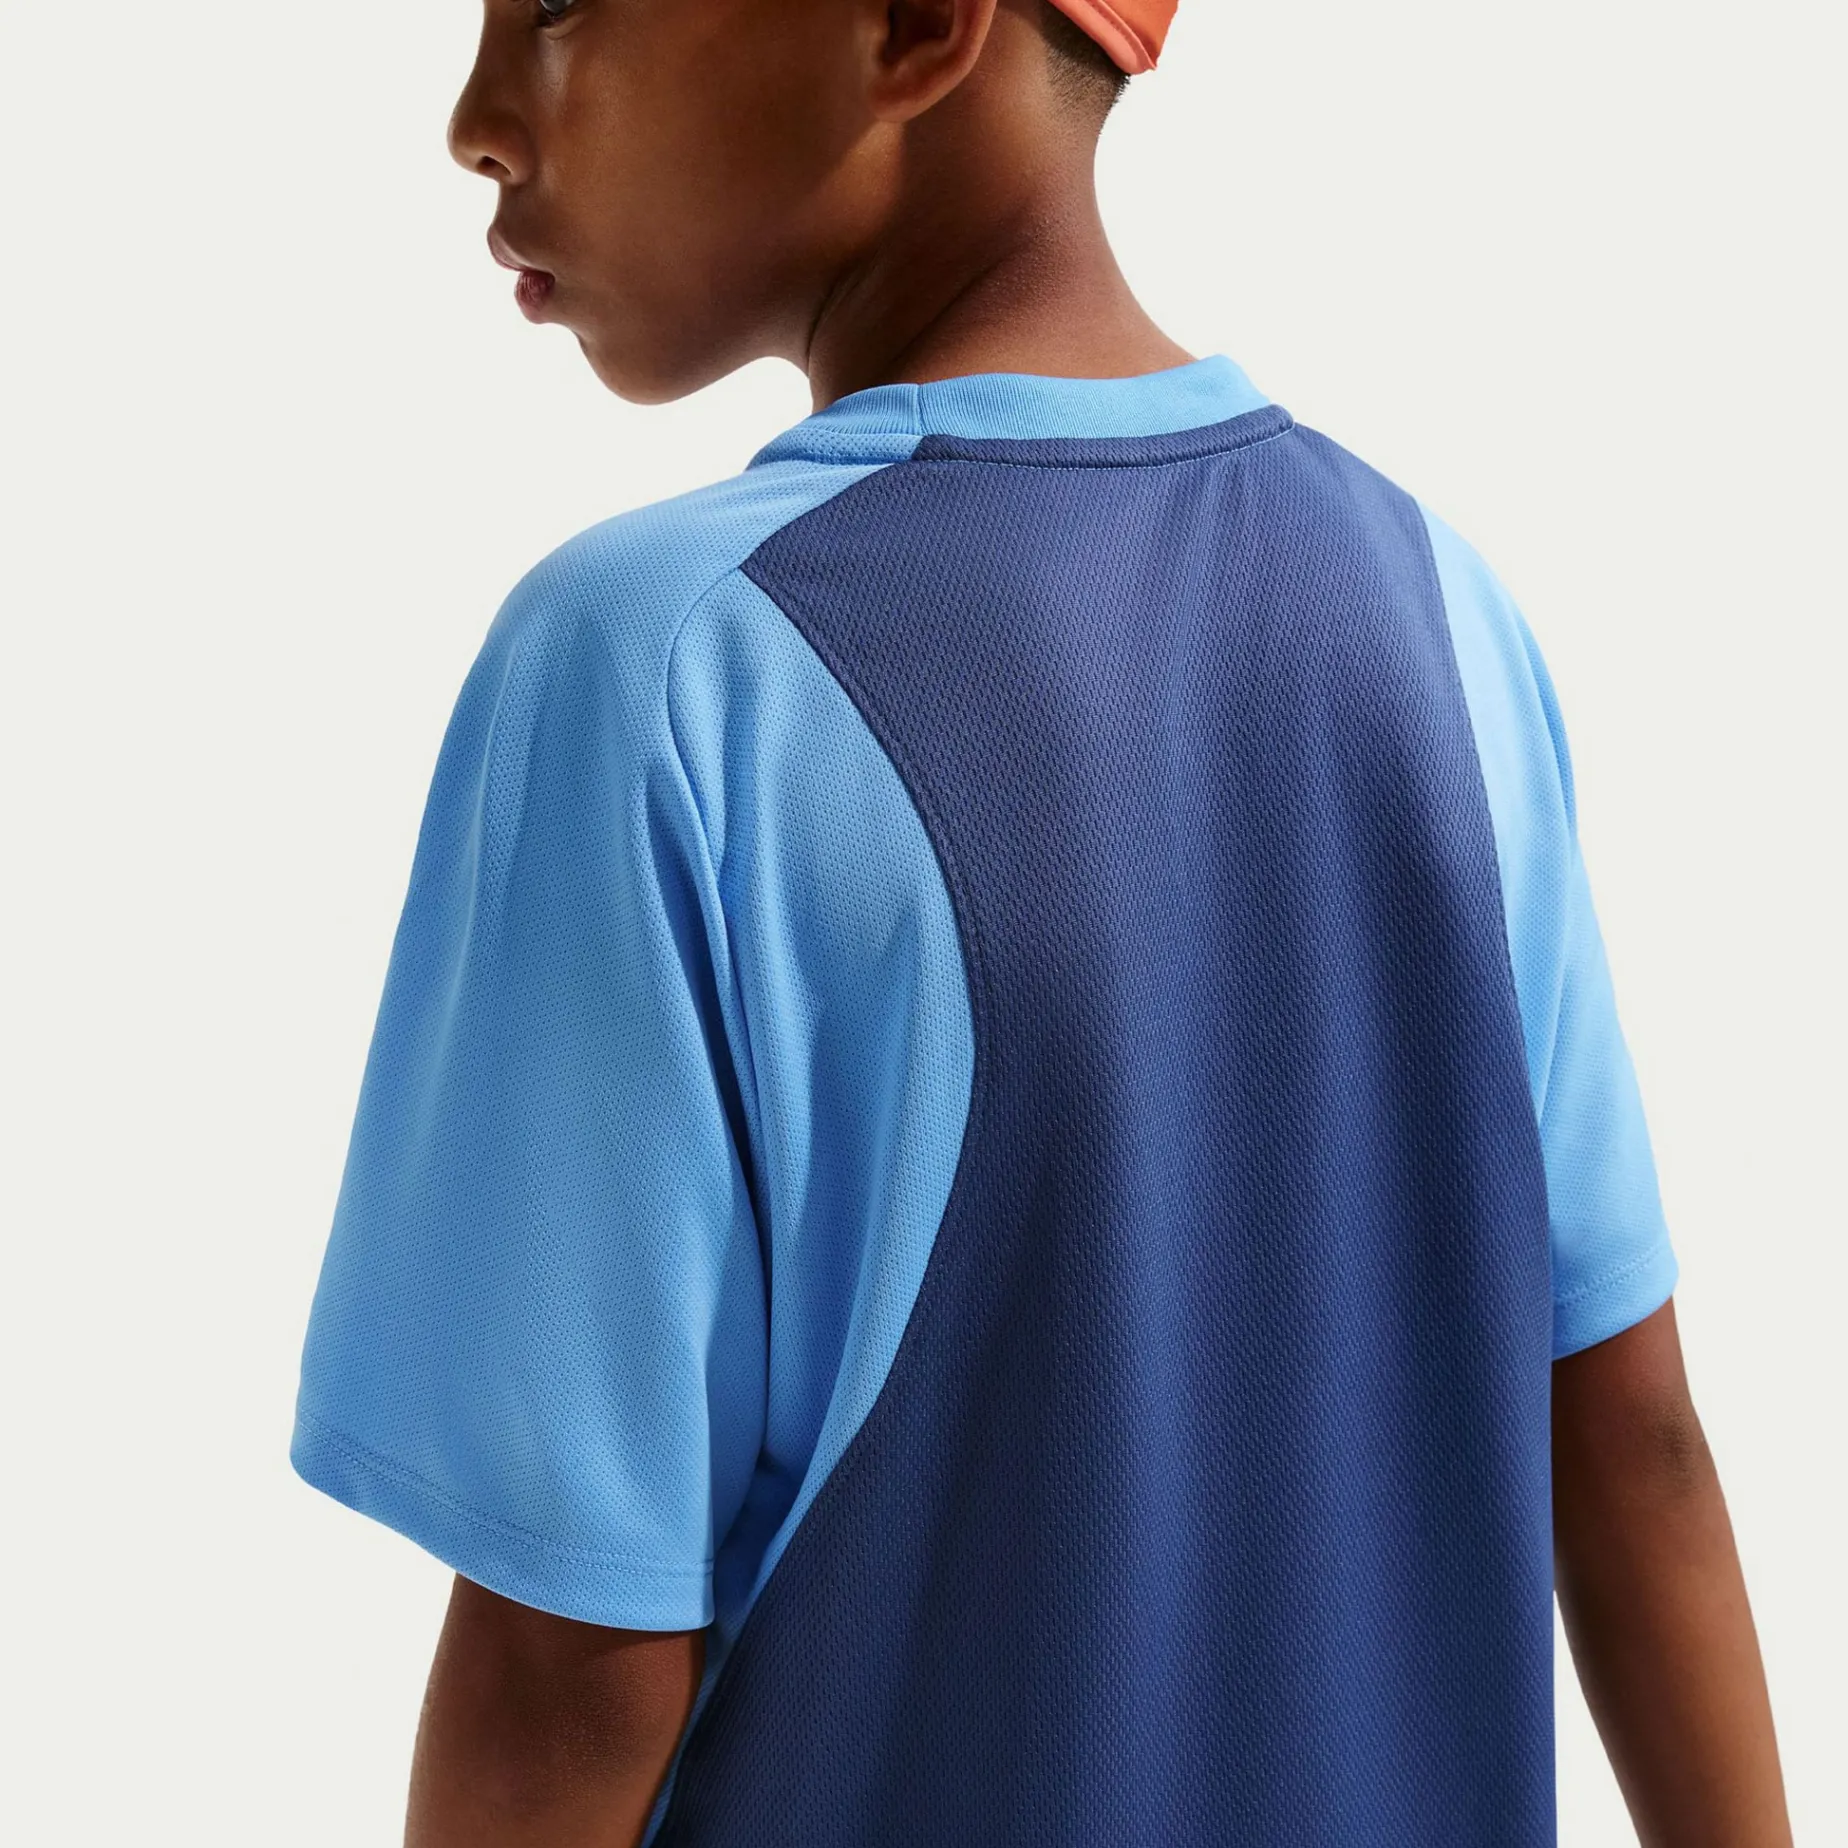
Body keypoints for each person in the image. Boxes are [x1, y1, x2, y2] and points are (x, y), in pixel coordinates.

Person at [290, 2, 1793, 1843]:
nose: (477, 117)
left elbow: (565, 1679)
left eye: (560, 5)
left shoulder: (662, 669)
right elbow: (1632, 1450)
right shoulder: (1439, 611)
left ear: (918, 24)